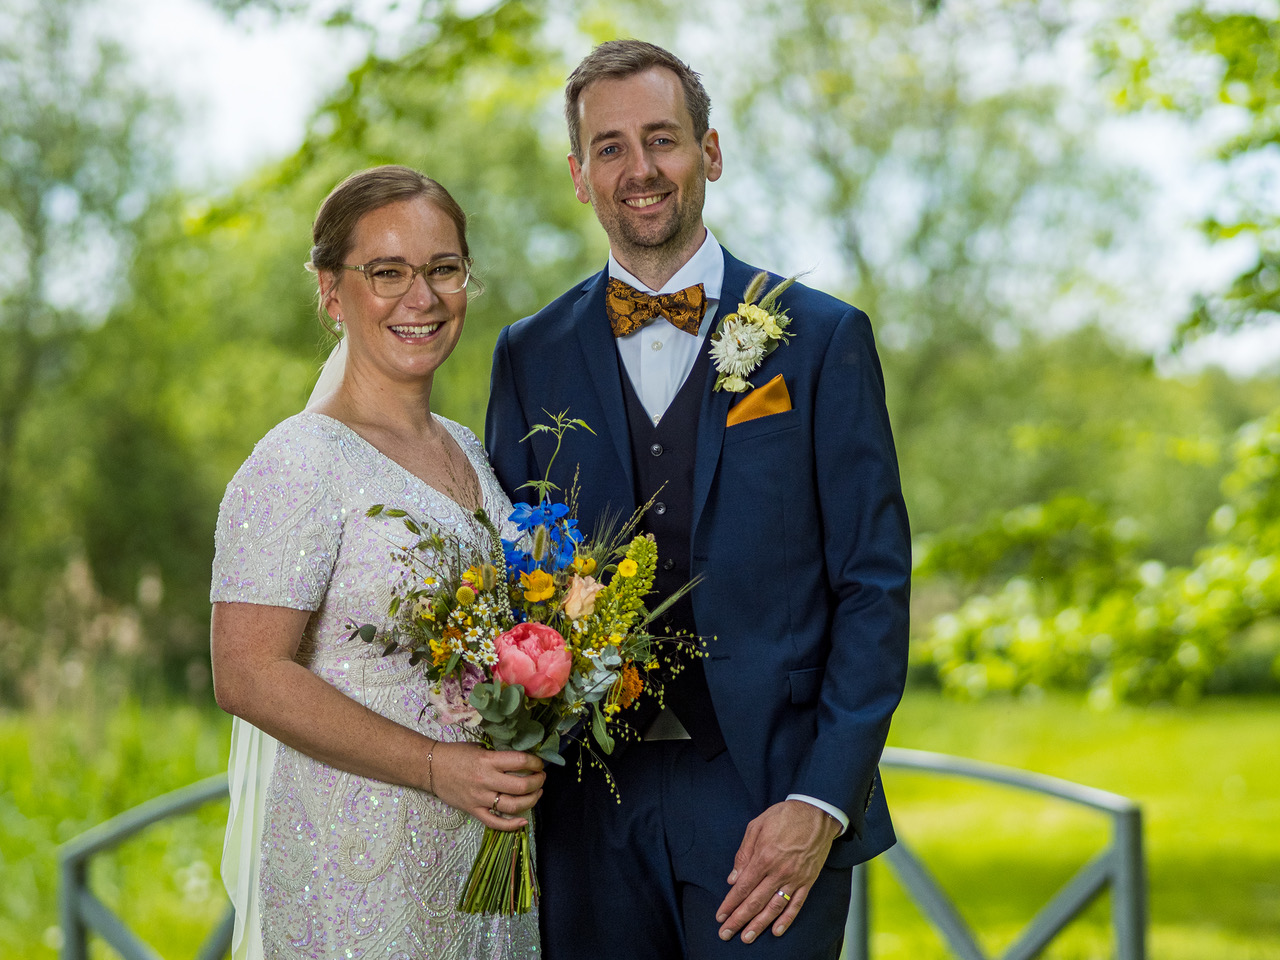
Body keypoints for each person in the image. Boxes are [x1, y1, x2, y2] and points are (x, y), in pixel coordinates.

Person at [485, 41, 911, 960]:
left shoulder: (821, 339)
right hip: (587, 804)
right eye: (609, 148)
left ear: (708, 153)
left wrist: (822, 798)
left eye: (662, 139)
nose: (638, 169)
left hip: (770, 798)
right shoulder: (527, 354)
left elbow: (873, 585)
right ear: (578, 176)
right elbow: (512, 575)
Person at [210, 165, 545, 960]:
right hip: (358, 859)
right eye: (387, 272)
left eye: (443, 268)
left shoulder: (467, 448)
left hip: (484, 851)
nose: (421, 298)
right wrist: (434, 766)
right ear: (331, 292)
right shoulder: (298, 459)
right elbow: (246, 673)